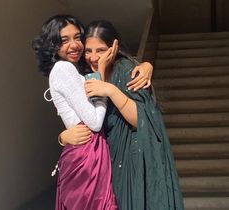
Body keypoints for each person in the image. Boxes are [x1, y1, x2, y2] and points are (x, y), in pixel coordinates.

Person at [32, 15, 153, 210]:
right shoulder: (63, 68)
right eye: (64, 40)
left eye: (77, 37)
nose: (74, 45)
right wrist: (103, 75)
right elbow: (95, 122)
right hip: (87, 153)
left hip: (88, 149)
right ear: (52, 44)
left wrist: (146, 65)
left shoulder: (77, 69)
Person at [61, 20, 184, 210]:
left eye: (100, 50)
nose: (93, 57)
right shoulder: (84, 75)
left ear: (114, 47)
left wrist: (111, 90)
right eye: (88, 51)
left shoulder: (126, 70)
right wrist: (63, 137)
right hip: (99, 166)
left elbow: (142, 119)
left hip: (128, 164)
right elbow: (80, 117)